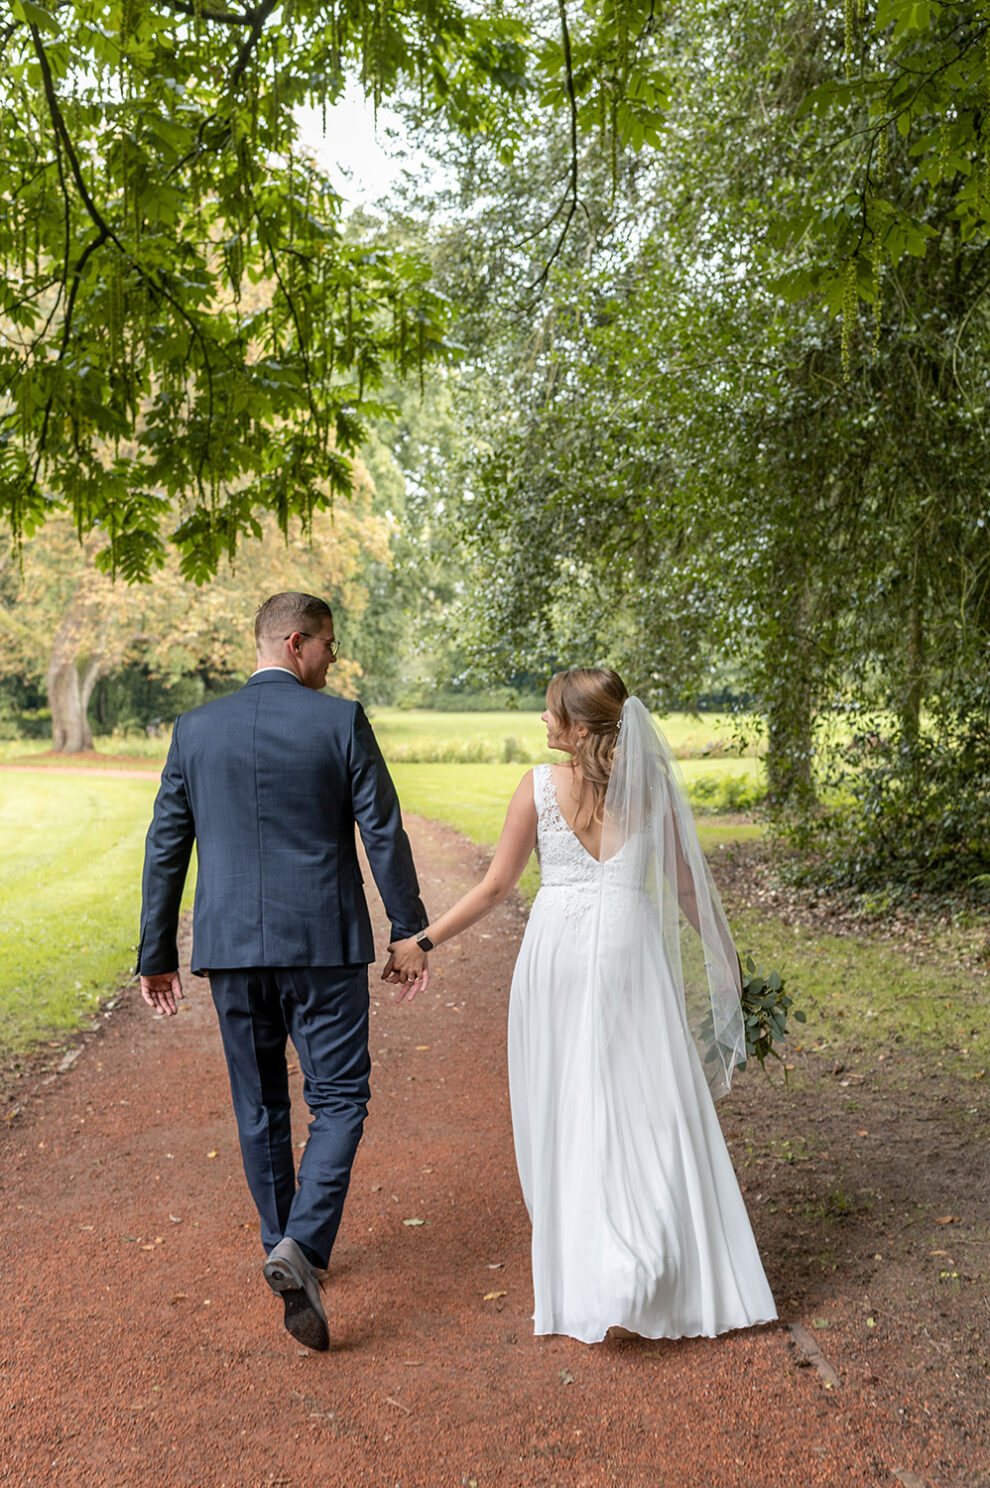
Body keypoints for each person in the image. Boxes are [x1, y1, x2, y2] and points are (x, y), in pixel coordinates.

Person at [387, 668, 776, 1343]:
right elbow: (688, 893)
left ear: (578, 727)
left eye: (549, 714)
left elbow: (495, 887)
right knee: (649, 1100)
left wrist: (422, 941)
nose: (543, 724)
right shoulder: (650, 791)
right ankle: (655, 1259)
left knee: (570, 1100)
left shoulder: (539, 788)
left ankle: (597, 1270)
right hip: (631, 955)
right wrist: (729, 967)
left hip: (558, 954)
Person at [137, 592, 429, 1352]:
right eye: (328, 644)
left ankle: (283, 1243)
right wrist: (408, 929)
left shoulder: (195, 730)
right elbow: (383, 831)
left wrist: (156, 954)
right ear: (296, 643)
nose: (333, 658)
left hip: (231, 949)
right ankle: (301, 1244)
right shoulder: (339, 721)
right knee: (339, 1098)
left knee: (259, 1102)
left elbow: (166, 843)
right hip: (324, 943)